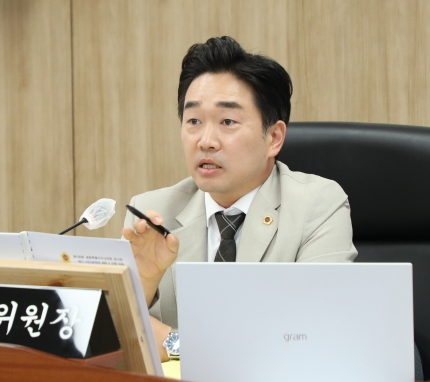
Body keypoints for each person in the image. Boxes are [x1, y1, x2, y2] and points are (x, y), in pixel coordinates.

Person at [122, 36, 357, 362]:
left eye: (227, 122)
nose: (206, 141)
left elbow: (317, 331)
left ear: (274, 137)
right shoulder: (152, 214)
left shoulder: (316, 205)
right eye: (194, 121)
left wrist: (177, 343)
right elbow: (117, 339)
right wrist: (146, 283)